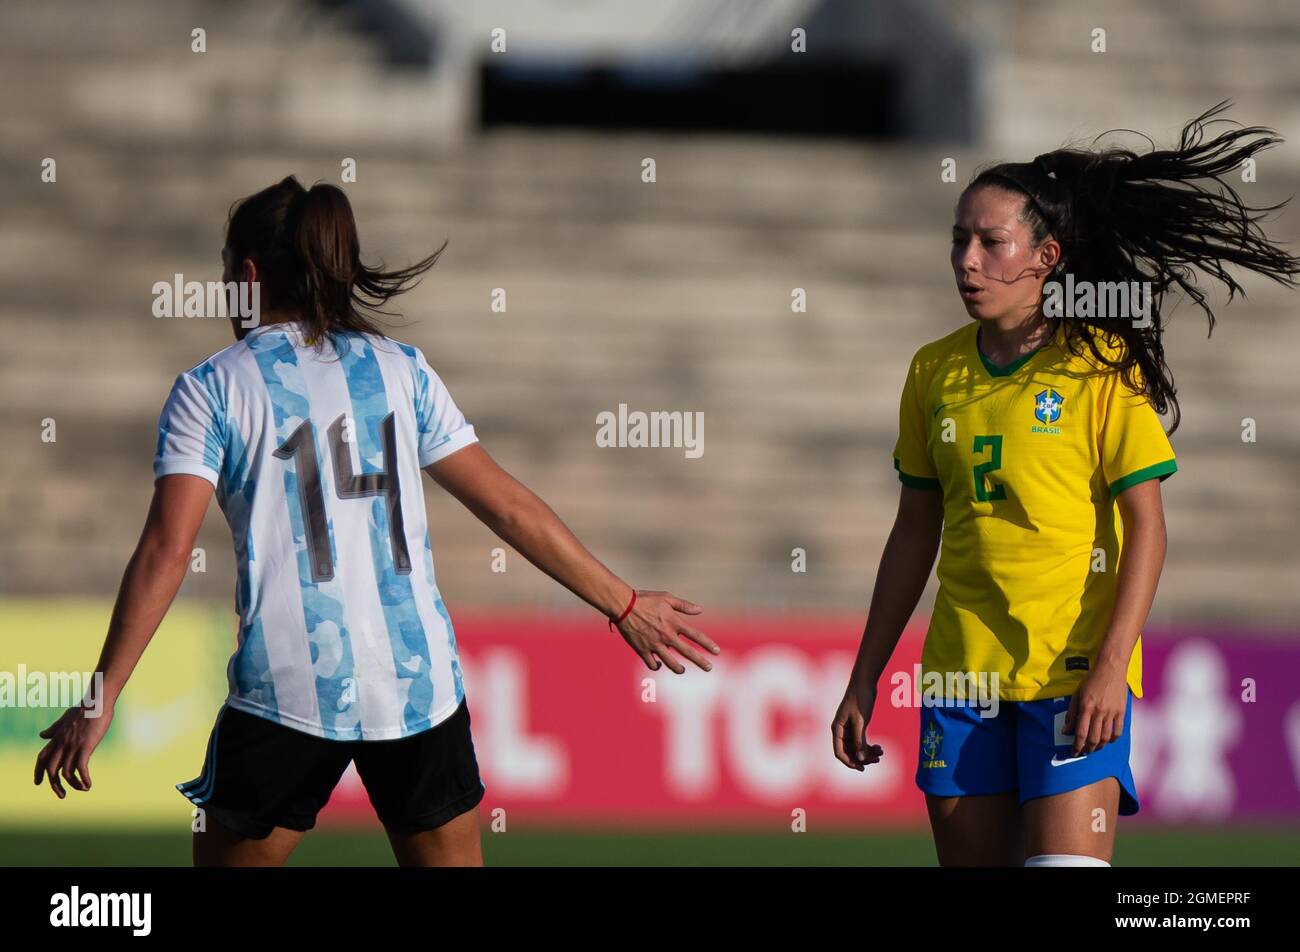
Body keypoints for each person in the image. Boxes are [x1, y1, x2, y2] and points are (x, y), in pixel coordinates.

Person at [34, 176, 720, 866]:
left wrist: (102, 698)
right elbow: (508, 507)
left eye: (223, 273)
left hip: (291, 685)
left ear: (246, 275)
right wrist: (624, 603)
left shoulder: (212, 387)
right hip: (414, 682)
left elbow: (165, 553)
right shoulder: (402, 370)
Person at [831, 102, 1300, 866]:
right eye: (958, 241)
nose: (967, 262)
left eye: (991, 242)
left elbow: (1147, 527)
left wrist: (1114, 666)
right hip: (962, 684)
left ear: (1047, 257)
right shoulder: (932, 370)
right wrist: (864, 679)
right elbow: (914, 530)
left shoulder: (1100, 363)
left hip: (1072, 675)